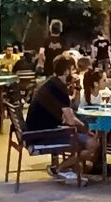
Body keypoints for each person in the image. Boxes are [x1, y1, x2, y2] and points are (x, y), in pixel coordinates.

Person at [24, 53, 102, 181]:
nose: (75, 72)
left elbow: (71, 105)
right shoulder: (59, 88)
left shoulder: (52, 83)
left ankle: (71, 170)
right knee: (93, 144)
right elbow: (71, 120)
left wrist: (76, 88)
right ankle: (60, 169)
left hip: (36, 132)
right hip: (43, 135)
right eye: (73, 69)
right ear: (67, 71)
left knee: (82, 139)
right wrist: (86, 129)